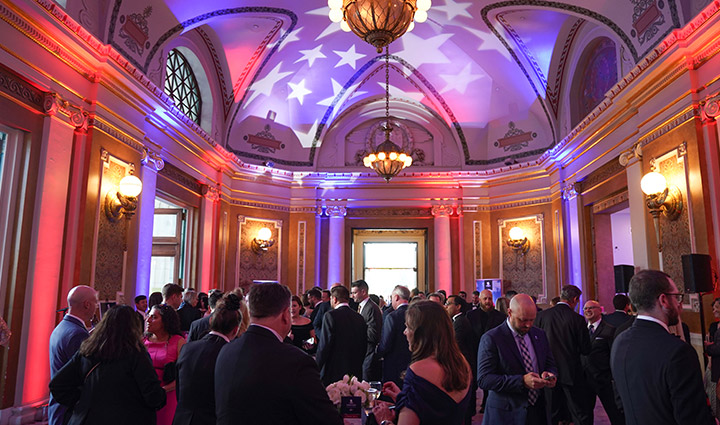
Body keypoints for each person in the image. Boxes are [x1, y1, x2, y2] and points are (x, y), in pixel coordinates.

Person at [214, 283, 343, 425]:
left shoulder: (225, 351)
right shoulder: (297, 362)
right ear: (285, 315)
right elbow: (327, 420)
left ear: (250, 312)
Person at [612, 270, 714, 424]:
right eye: (677, 297)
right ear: (663, 300)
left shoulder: (619, 341)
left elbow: (620, 402)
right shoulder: (679, 352)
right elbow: (692, 418)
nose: (680, 304)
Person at [49, 305, 166, 425]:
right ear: (133, 327)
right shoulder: (136, 355)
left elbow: (58, 385)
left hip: (88, 419)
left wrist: (82, 401)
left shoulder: (88, 352)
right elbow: (154, 396)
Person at [373, 300, 471, 425]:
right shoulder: (462, 363)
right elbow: (437, 405)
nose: (405, 332)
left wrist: (384, 420)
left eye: (408, 327)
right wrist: (403, 398)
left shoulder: (418, 370)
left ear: (420, 333)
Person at [477, 294, 557, 425]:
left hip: (537, 412)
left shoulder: (539, 334)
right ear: (509, 312)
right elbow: (484, 379)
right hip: (506, 414)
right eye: (523, 320)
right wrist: (521, 381)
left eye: (532, 320)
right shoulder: (492, 338)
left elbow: (550, 364)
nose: (528, 325)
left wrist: (550, 374)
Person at [174, 294, 241, 425]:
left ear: (210, 322)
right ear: (235, 330)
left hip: (182, 418)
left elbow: (179, 388)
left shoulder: (187, 348)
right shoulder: (230, 354)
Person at [534, 285, 592, 425]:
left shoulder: (542, 316)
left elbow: (536, 343)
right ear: (575, 299)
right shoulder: (577, 319)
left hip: (547, 371)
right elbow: (585, 349)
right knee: (578, 411)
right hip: (571, 372)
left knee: (551, 412)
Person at [49, 285, 98, 425]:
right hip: (69, 410)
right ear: (87, 305)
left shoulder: (63, 326)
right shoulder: (77, 334)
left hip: (58, 406)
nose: (96, 307)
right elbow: (82, 375)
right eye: (96, 302)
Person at [581, 300, 624, 425]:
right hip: (585, 380)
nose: (588, 310)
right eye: (585, 308)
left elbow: (614, 355)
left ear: (600, 310)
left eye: (591, 308)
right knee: (585, 415)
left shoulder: (610, 330)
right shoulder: (582, 329)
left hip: (604, 380)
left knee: (614, 414)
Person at [316, 285, 367, 385]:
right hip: (355, 371)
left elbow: (324, 345)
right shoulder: (359, 318)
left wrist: (316, 367)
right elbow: (364, 345)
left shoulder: (330, 316)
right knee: (353, 399)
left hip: (334, 371)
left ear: (334, 299)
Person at [466, 288, 507, 413]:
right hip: (475, 350)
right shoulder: (470, 315)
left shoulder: (500, 316)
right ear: (479, 300)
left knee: (490, 378)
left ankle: (487, 403)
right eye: (485, 299)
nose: (488, 301)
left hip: (493, 352)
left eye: (490, 298)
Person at [145, 303, 186, 425]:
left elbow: (182, 375)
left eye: (154, 317)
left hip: (168, 395)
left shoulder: (178, 342)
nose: (148, 320)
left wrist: (163, 390)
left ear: (165, 321)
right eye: (149, 316)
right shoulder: (143, 341)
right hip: (147, 395)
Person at [445, 295, 476, 423]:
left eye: (449, 303)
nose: (446, 306)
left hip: (463, 365)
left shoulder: (460, 322)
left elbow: (455, 346)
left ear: (458, 307)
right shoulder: (456, 320)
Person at [377, 285, 412, 387]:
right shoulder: (417, 314)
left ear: (396, 297)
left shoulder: (392, 317)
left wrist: (376, 354)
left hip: (394, 365)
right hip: (413, 363)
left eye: (392, 297)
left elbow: (385, 344)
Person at [351, 279, 383, 381]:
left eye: (355, 293)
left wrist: (356, 334)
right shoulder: (362, 306)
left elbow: (373, 335)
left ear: (363, 292)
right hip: (363, 353)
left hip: (369, 353)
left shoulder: (371, 308)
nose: (352, 296)